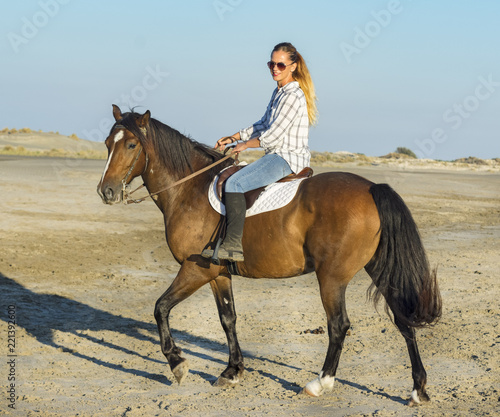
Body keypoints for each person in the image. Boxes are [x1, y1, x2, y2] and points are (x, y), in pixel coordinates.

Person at [202, 42, 318, 262]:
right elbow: (263, 124)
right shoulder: (279, 92)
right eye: (271, 64)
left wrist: (245, 145)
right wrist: (235, 137)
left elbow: (272, 136)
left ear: (293, 66)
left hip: (286, 158)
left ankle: (233, 245)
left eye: (280, 65)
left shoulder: (293, 96)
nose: (275, 68)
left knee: (234, 183)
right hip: (277, 155)